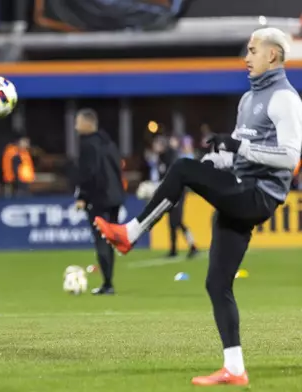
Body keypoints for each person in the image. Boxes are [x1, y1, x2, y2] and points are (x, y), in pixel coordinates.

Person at [94, 27, 302, 386]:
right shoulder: (248, 100)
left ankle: (131, 232)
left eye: (252, 50)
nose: (246, 57)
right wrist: (217, 160)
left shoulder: (285, 98)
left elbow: (290, 158)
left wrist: (236, 150)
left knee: (181, 167)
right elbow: (237, 156)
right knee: (217, 282)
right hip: (240, 189)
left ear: (273, 56)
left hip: (258, 194)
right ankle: (234, 368)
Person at [73, 109, 125, 295]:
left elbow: (89, 172)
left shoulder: (88, 144)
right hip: (115, 197)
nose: (75, 126)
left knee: (101, 240)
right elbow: (118, 169)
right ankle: (108, 282)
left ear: (88, 124)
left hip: (99, 197)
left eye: (78, 122)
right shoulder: (108, 142)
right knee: (109, 239)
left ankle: (108, 284)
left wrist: (83, 197)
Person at [154, 136, 198, 258]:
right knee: (172, 222)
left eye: (157, 145)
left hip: (178, 191)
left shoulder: (170, 156)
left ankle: (192, 245)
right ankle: (174, 249)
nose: (155, 147)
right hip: (169, 192)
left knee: (177, 220)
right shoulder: (160, 158)